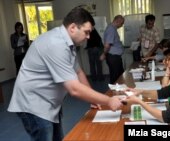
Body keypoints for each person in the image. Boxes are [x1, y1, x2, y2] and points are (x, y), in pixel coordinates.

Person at [7, 7, 123, 141]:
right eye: (86, 32)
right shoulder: (55, 43)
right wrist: (108, 101)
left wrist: (93, 99)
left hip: (49, 103)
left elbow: (78, 72)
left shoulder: (69, 43)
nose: (88, 37)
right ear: (73, 27)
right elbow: (74, 89)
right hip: (33, 104)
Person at [100, 15, 125, 84]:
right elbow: (107, 45)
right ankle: (114, 93)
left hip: (115, 57)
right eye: (122, 23)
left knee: (119, 76)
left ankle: (118, 92)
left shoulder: (113, 29)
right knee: (115, 78)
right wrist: (104, 54)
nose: (122, 25)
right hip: (113, 57)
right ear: (118, 21)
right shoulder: (111, 29)